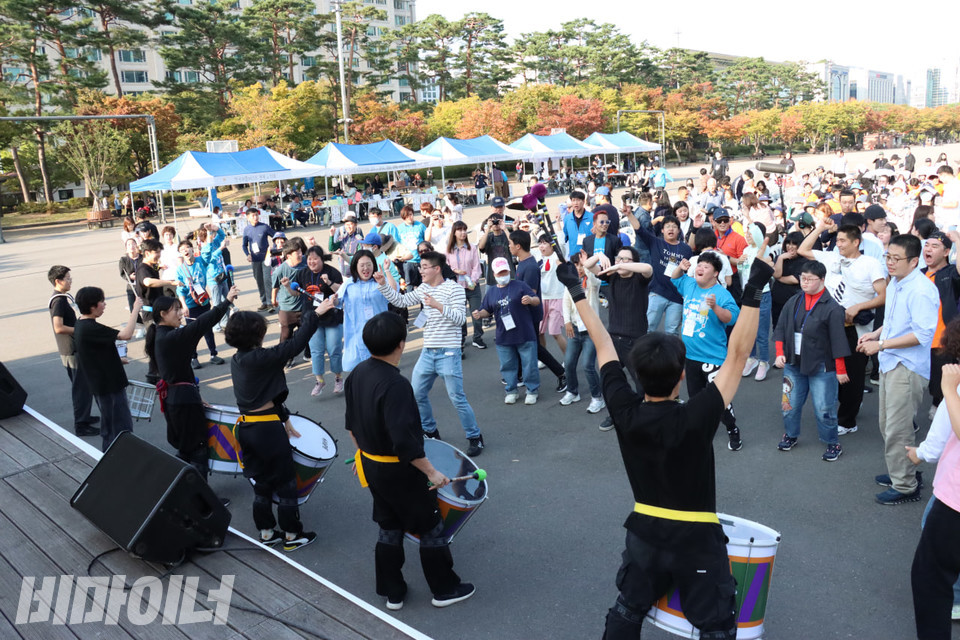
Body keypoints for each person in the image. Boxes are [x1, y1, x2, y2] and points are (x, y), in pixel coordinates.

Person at [554, 240, 771, 639]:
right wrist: (755, 288)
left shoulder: (623, 408)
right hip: (698, 539)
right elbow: (738, 356)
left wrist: (576, 289)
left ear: (635, 370)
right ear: (680, 377)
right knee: (717, 626)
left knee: (626, 611)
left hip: (645, 533)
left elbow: (603, 343)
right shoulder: (697, 415)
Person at [344, 311, 474, 611]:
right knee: (429, 526)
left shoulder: (358, 373)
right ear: (401, 344)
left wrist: (362, 455)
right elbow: (405, 443)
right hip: (400, 471)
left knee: (389, 524)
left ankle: (393, 592)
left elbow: (351, 425)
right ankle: (445, 589)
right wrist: (433, 473)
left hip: (372, 465)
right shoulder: (396, 385)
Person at [224, 301, 331, 551]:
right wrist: (314, 314)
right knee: (286, 484)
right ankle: (292, 536)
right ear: (257, 335)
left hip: (249, 429)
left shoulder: (238, 359)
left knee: (261, 484)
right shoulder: (260, 358)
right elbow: (293, 346)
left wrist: (284, 417)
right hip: (268, 433)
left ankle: (266, 532)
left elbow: (261, 394)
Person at [374, 252, 483, 456]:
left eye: (424, 267)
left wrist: (437, 305)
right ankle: (431, 431)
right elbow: (401, 301)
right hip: (428, 352)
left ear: (437, 269)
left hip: (449, 352)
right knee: (416, 394)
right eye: (420, 266)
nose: (420, 270)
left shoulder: (454, 289)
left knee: (457, 397)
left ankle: (474, 436)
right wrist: (383, 282)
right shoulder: (423, 288)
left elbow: (460, 320)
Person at [857, 234, 939, 505]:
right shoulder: (897, 283)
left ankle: (905, 485)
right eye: (887, 257)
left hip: (907, 367)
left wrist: (880, 344)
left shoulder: (922, 290)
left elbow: (922, 335)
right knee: (887, 423)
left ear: (914, 261)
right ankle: (901, 471)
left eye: (896, 258)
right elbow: (894, 321)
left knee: (898, 428)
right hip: (892, 361)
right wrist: (876, 335)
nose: (889, 263)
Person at [799, 219, 886, 436]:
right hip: (828, 326)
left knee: (852, 375)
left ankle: (848, 420)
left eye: (843, 240)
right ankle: (848, 404)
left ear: (856, 242)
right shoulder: (831, 257)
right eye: (837, 239)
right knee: (832, 371)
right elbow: (803, 249)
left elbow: (884, 296)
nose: (838, 244)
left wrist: (859, 306)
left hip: (855, 328)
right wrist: (819, 228)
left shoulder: (870, 263)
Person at [147, 289, 238, 475]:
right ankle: (201, 501)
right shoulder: (172, 337)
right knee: (198, 449)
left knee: (186, 448)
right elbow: (204, 322)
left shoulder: (159, 334)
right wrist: (226, 301)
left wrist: (195, 396)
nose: (181, 314)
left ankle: (178, 490)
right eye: (176, 310)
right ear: (163, 314)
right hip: (183, 402)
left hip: (177, 398)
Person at [772, 261, 850, 461]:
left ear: (822, 280)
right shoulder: (794, 301)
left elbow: (838, 340)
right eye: (802, 278)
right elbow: (780, 328)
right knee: (788, 403)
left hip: (822, 365)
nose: (804, 282)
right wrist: (780, 352)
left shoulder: (832, 308)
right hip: (793, 362)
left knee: (825, 408)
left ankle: (832, 442)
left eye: (809, 279)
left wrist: (840, 369)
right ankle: (790, 434)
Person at [908, 344, 960, 636]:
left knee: (931, 578)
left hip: (955, 502)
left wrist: (949, 389)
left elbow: (945, 435)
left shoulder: (956, 382)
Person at [671, 254, 743, 451]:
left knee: (720, 399)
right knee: (695, 399)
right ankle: (699, 430)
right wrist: (680, 266)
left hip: (713, 358)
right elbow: (674, 277)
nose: (699, 268)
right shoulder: (689, 284)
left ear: (716, 273)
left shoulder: (721, 294)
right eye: (698, 265)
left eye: (705, 266)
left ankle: (732, 428)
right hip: (690, 356)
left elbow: (732, 318)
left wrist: (715, 307)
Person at [585, 246, 654, 431]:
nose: (621, 262)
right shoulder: (612, 277)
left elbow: (648, 268)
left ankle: (644, 415)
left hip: (635, 340)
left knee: (641, 383)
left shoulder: (640, 279)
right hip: (613, 340)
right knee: (610, 380)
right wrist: (599, 255)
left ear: (634, 262)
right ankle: (615, 414)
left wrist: (624, 265)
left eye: (626, 259)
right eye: (619, 258)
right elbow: (587, 264)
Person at [74, 287, 142, 451]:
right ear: (93, 306)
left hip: (102, 383)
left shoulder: (81, 325)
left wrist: (118, 360)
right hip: (109, 386)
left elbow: (94, 354)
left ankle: (114, 456)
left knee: (110, 425)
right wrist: (135, 310)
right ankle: (115, 459)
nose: (104, 305)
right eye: (102, 302)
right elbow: (126, 335)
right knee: (119, 427)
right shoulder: (90, 327)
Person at [474, 257, 541, 405]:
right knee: (507, 365)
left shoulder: (520, 285)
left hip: (524, 333)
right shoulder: (491, 292)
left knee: (529, 364)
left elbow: (536, 300)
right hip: (504, 336)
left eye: (504, 271)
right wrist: (479, 314)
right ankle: (511, 390)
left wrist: (530, 300)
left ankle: (532, 390)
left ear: (509, 271)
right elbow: (486, 309)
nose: (502, 275)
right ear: (494, 274)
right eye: (499, 273)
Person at [510, 229, 566, 393]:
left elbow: (530, 294)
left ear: (518, 246)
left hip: (530, 315)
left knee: (534, 347)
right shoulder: (523, 262)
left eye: (510, 244)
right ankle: (518, 374)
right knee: (526, 344)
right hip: (526, 315)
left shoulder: (530, 266)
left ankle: (562, 373)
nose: (509, 246)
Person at [47, 266, 99, 438]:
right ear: (58, 281)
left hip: (73, 348)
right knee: (81, 388)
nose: (70, 281)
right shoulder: (59, 301)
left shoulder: (62, 299)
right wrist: (79, 330)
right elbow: (58, 327)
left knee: (84, 386)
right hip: (71, 350)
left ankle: (85, 416)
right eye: (68, 278)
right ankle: (81, 424)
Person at [625, 209, 692, 335]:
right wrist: (629, 215)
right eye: (667, 227)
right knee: (648, 328)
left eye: (674, 227)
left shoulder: (686, 249)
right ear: (662, 230)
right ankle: (644, 354)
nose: (671, 229)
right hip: (657, 292)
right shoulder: (655, 242)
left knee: (672, 332)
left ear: (679, 230)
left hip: (677, 297)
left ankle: (671, 355)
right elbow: (640, 230)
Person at [293, 246, 344, 396]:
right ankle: (319, 380)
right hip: (312, 318)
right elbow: (295, 293)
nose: (312, 261)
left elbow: (341, 291)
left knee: (334, 349)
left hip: (332, 317)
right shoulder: (302, 273)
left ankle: (338, 377)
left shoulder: (332, 272)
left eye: (315, 258)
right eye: (309, 259)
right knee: (316, 350)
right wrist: (286, 286)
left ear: (322, 259)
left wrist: (328, 282)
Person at [921, 231, 960, 416]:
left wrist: (957, 241)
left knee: (940, 384)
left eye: (934, 246)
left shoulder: (951, 273)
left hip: (941, 341)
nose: (928, 249)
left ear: (946, 252)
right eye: (926, 245)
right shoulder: (918, 274)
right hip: (917, 339)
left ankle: (942, 412)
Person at [560, 253, 605, 414]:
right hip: (575, 329)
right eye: (576, 265)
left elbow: (594, 281)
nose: (579, 268)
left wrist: (587, 266)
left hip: (591, 331)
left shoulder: (592, 281)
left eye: (581, 265)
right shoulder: (571, 283)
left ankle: (597, 398)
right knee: (569, 362)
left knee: (588, 365)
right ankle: (572, 392)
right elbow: (565, 302)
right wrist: (566, 322)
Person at [175, 239, 225, 368]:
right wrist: (184, 306)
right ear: (180, 254)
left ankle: (213, 354)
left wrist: (209, 235)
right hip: (190, 305)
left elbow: (207, 253)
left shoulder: (200, 261)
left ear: (192, 249)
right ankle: (193, 358)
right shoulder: (181, 270)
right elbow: (180, 289)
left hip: (204, 302)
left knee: (208, 329)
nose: (185, 251)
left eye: (187, 248)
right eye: (182, 250)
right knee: (191, 333)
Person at [340, 250, 393, 372]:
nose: (366, 268)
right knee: (357, 371)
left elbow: (394, 293)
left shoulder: (380, 281)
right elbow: (337, 300)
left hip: (379, 333)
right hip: (356, 335)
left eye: (369, 264)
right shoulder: (349, 284)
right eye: (362, 265)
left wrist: (387, 271)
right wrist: (332, 301)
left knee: (380, 371)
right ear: (355, 267)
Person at [445, 221, 484, 350]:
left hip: (472, 286)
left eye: (464, 230)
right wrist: (454, 271)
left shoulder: (472, 248)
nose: (462, 233)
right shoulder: (449, 250)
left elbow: (476, 267)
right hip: (457, 287)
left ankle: (477, 337)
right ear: (454, 232)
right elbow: (446, 267)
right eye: (459, 230)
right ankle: (461, 338)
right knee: (460, 315)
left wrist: (472, 281)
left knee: (476, 311)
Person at [241, 208, 277, 311]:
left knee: (267, 280)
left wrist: (273, 249)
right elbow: (244, 245)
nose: (255, 217)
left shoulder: (264, 227)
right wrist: (247, 254)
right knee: (259, 281)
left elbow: (276, 237)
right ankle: (264, 302)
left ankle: (270, 303)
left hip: (266, 259)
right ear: (248, 218)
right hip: (255, 259)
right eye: (253, 216)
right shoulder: (247, 230)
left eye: (257, 215)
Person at [271, 242, 306, 347]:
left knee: (306, 332)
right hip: (287, 309)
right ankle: (286, 358)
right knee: (286, 335)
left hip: (303, 306)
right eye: (297, 253)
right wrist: (273, 300)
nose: (300, 255)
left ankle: (308, 353)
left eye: (300, 252)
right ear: (288, 256)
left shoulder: (305, 261)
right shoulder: (280, 271)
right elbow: (275, 287)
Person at [478, 211, 513, 281]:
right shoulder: (488, 237)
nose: (496, 224)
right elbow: (481, 247)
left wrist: (505, 228)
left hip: (508, 272)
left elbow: (514, 244)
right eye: (493, 222)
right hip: (492, 274)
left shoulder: (506, 235)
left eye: (497, 222)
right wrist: (488, 229)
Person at [330, 212, 365, 280]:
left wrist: (344, 254)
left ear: (355, 225)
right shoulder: (342, 237)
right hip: (343, 271)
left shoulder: (359, 239)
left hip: (355, 272)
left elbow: (359, 255)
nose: (348, 227)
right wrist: (331, 235)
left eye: (350, 224)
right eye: (346, 224)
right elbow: (332, 248)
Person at [561, 190, 593, 257]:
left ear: (583, 201)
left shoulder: (592, 217)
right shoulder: (567, 219)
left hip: (589, 254)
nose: (576, 203)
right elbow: (565, 237)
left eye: (578, 200)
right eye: (573, 200)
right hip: (574, 255)